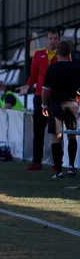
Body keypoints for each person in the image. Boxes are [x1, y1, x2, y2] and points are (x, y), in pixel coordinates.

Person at [17, 28, 67, 171]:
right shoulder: (39, 55)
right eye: (50, 38)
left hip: (57, 97)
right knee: (38, 130)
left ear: (59, 39)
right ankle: (37, 162)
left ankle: (57, 163)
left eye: (55, 38)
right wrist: (27, 86)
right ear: (46, 40)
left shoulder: (64, 55)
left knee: (57, 131)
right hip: (40, 96)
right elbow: (33, 75)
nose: (53, 41)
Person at [41, 41, 80, 178]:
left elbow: (45, 90)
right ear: (69, 53)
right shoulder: (77, 67)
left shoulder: (52, 68)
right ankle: (71, 166)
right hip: (72, 104)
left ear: (57, 52)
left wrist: (44, 105)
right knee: (72, 135)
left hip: (56, 105)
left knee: (56, 137)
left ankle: (58, 171)